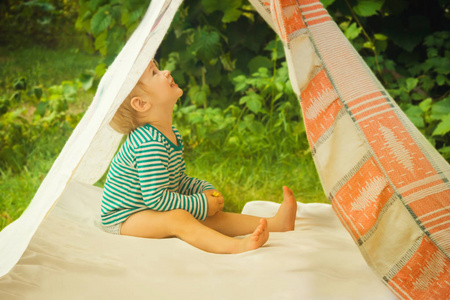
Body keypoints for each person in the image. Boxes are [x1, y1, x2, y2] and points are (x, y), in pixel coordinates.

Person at [101, 59, 298, 254]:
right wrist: (201, 203)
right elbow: (157, 199)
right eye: (155, 73)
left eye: (158, 69)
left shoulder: (169, 135)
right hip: (125, 218)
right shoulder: (149, 143)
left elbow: (175, 181)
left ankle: (277, 224)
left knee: (205, 216)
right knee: (178, 217)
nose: (166, 72)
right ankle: (236, 246)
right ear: (142, 103)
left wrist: (203, 189)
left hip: (146, 209)